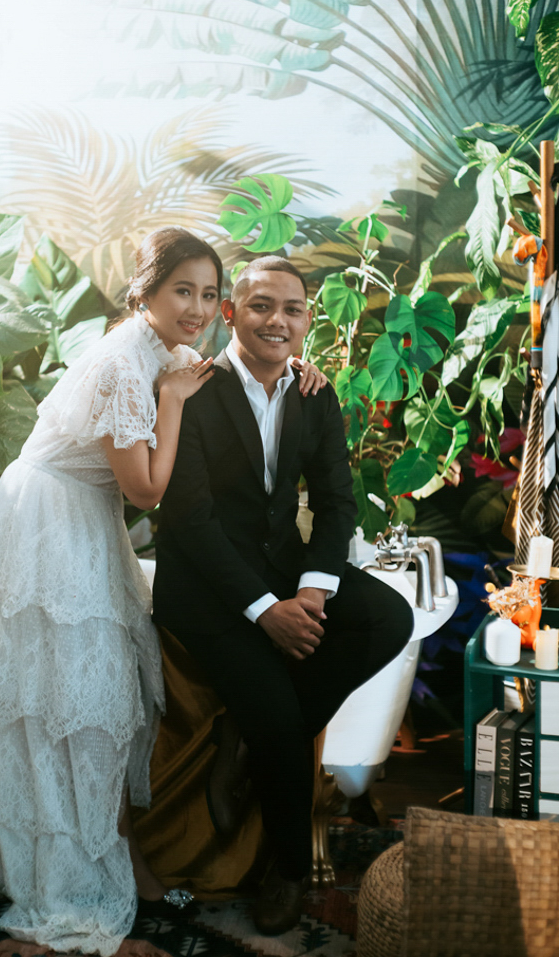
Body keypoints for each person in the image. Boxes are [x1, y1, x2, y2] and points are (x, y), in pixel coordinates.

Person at [0, 228, 325, 955]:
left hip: (86, 521)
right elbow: (146, 490)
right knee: (73, 705)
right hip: (50, 521)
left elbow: (229, 369)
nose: (197, 309)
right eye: (181, 291)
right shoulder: (125, 368)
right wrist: (172, 399)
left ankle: (126, 859)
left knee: (111, 704)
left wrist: (296, 367)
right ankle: (64, 873)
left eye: (208, 294)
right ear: (146, 294)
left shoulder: (163, 349)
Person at [152, 255, 415, 937]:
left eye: (292, 309)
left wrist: (312, 593)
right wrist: (266, 611)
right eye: (261, 305)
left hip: (280, 567)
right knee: (275, 712)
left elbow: (336, 503)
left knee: (389, 617)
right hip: (205, 586)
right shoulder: (192, 392)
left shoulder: (313, 393)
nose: (278, 320)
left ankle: (240, 740)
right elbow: (190, 521)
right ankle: (290, 868)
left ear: (306, 320)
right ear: (231, 314)